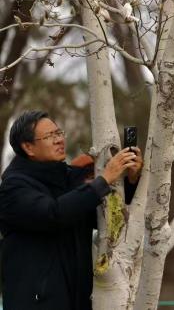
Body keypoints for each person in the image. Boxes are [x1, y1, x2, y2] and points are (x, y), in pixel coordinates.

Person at [0, 110, 142, 310]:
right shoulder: (13, 187)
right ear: (28, 147)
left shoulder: (69, 178)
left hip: (78, 300)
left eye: (59, 133)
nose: (59, 140)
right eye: (50, 136)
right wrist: (103, 180)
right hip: (35, 303)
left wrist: (130, 181)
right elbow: (53, 214)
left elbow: (102, 217)